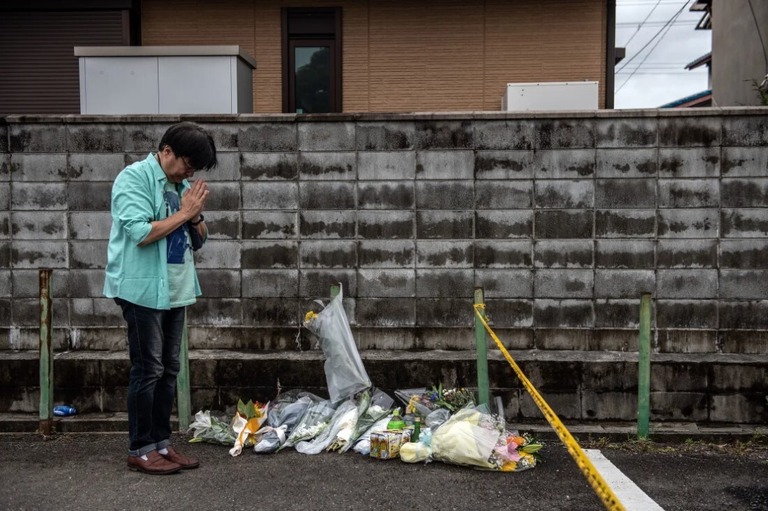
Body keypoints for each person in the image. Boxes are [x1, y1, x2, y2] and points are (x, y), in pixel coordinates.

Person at [104, 122, 217, 475]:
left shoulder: (180, 185)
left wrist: (194, 215)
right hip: (142, 289)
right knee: (148, 369)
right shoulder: (133, 179)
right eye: (187, 163)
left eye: (195, 168)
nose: (190, 172)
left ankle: (161, 444)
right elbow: (139, 233)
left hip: (176, 289)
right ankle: (140, 448)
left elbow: (199, 240)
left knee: (169, 370)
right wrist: (184, 213)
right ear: (166, 151)